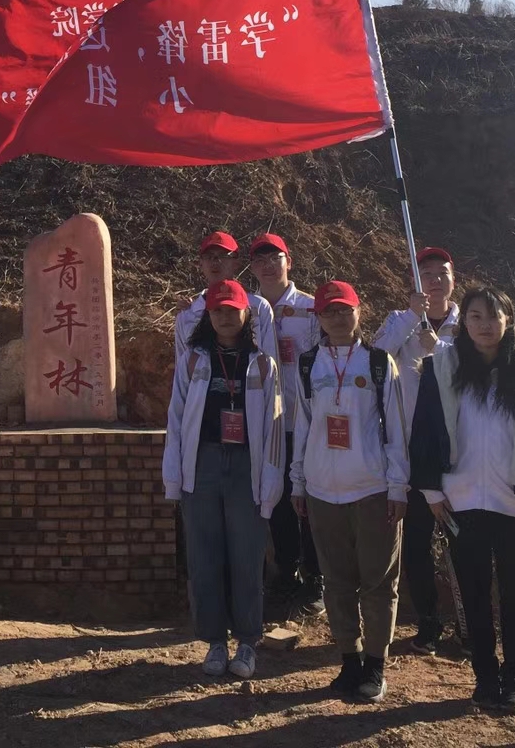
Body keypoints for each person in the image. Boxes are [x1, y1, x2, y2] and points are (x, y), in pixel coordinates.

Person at [410, 287, 515, 715]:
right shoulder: (443, 368)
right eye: (475, 316)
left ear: (509, 321)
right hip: (462, 501)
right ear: (465, 322)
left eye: (494, 316)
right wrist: (431, 490)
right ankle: (485, 677)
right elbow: (424, 430)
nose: (485, 325)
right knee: (473, 591)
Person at [292, 280, 408, 703]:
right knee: (336, 582)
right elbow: (302, 425)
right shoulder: (308, 364)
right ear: (319, 318)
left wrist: (398, 486)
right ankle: (349, 659)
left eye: (346, 309)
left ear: (360, 311)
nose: (339, 318)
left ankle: (375, 664)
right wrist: (298, 480)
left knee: (378, 582)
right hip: (323, 491)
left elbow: (395, 429)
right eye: (330, 311)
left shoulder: (378, 363)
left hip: (372, 489)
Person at [163, 279, 285, 680]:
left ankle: (247, 641)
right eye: (218, 310)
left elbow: (273, 428)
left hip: (247, 465)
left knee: (247, 556)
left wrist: (271, 483)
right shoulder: (193, 361)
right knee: (204, 557)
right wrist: (174, 477)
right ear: (208, 316)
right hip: (203, 465)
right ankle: (215, 640)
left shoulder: (263, 365)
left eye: (233, 310)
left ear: (247, 314)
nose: (225, 317)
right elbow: (176, 420)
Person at [374, 245, 460, 656]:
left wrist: (438, 347)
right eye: (427, 274)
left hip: (460, 451)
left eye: (442, 273)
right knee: (416, 545)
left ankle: (468, 623)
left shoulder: (470, 321)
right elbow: (375, 358)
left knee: (462, 542)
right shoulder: (400, 320)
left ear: (453, 278)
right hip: (412, 451)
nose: (435, 280)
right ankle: (428, 621)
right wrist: (411, 317)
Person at [248, 232, 322, 614]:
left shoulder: (312, 309)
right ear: (251, 268)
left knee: (309, 500)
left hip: (304, 420)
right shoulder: (245, 310)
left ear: (288, 261)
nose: (267, 266)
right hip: (266, 424)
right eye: (259, 260)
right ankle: (285, 574)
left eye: (274, 258)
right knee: (276, 501)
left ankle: (315, 578)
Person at [174, 231, 278, 380]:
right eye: (209, 256)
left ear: (237, 262)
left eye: (223, 256)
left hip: (250, 392)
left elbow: (272, 367)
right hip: (203, 394)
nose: (215, 262)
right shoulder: (187, 315)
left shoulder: (259, 307)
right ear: (200, 263)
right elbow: (182, 374)